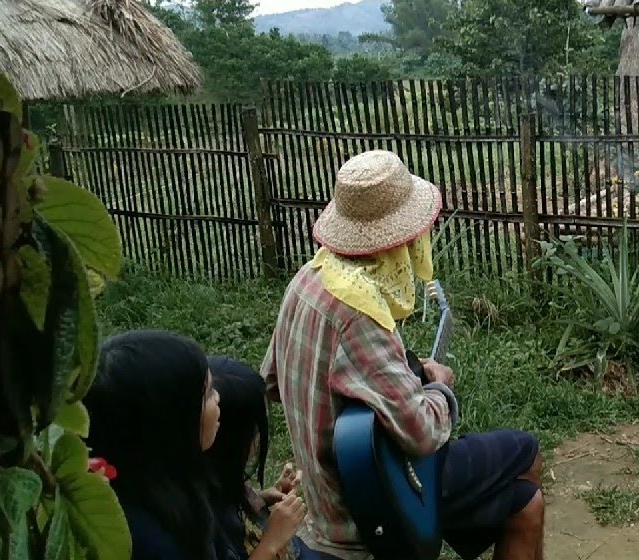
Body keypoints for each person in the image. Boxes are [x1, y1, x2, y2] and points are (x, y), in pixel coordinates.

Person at [262, 149, 544, 560]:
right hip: (365, 505)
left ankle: (458, 523)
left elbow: (272, 382)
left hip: (323, 495)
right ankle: (435, 529)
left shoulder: (308, 279)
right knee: (526, 450)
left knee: (524, 501)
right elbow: (424, 431)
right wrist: (441, 388)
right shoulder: (358, 311)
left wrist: (390, 385)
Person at [84, 330, 225, 560]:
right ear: (170, 422)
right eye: (207, 393)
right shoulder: (151, 545)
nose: (218, 398)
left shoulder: (157, 482)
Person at [207, 355, 310, 560]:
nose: (257, 440)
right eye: (253, 432)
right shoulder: (203, 520)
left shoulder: (214, 481)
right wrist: (272, 541)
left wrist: (262, 498)